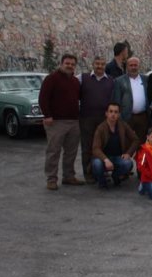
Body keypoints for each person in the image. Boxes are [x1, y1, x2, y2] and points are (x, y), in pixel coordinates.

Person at [39, 53, 84, 190]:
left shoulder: (75, 81)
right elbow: (43, 98)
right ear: (61, 64)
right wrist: (47, 115)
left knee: (71, 152)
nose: (70, 66)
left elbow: (79, 98)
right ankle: (51, 179)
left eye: (72, 64)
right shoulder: (51, 79)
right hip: (56, 122)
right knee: (53, 151)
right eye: (67, 63)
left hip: (73, 121)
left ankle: (68, 176)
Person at [78, 55, 114, 184]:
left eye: (102, 64)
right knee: (87, 147)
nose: (99, 66)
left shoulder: (111, 80)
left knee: (103, 146)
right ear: (92, 64)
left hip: (103, 120)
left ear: (105, 65)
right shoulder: (83, 78)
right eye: (97, 64)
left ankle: (101, 172)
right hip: (86, 119)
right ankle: (89, 174)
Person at [91, 102, 140, 189]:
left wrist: (128, 153)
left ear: (119, 114)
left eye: (116, 112)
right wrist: (105, 160)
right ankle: (102, 182)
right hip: (104, 158)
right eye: (111, 111)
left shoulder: (123, 125)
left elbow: (135, 140)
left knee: (128, 163)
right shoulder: (100, 128)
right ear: (106, 113)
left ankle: (115, 176)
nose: (113, 114)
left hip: (118, 157)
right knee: (96, 163)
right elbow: (95, 149)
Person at [112, 57, 149, 141]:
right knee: (126, 141)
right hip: (127, 117)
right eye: (131, 65)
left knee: (141, 141)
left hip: (142, 117)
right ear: (127, 67)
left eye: (135, 65)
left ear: (139, 66)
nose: (133, 67)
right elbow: (116, 100)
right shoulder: (119, 81)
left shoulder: (146, 79)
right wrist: (119, 117)